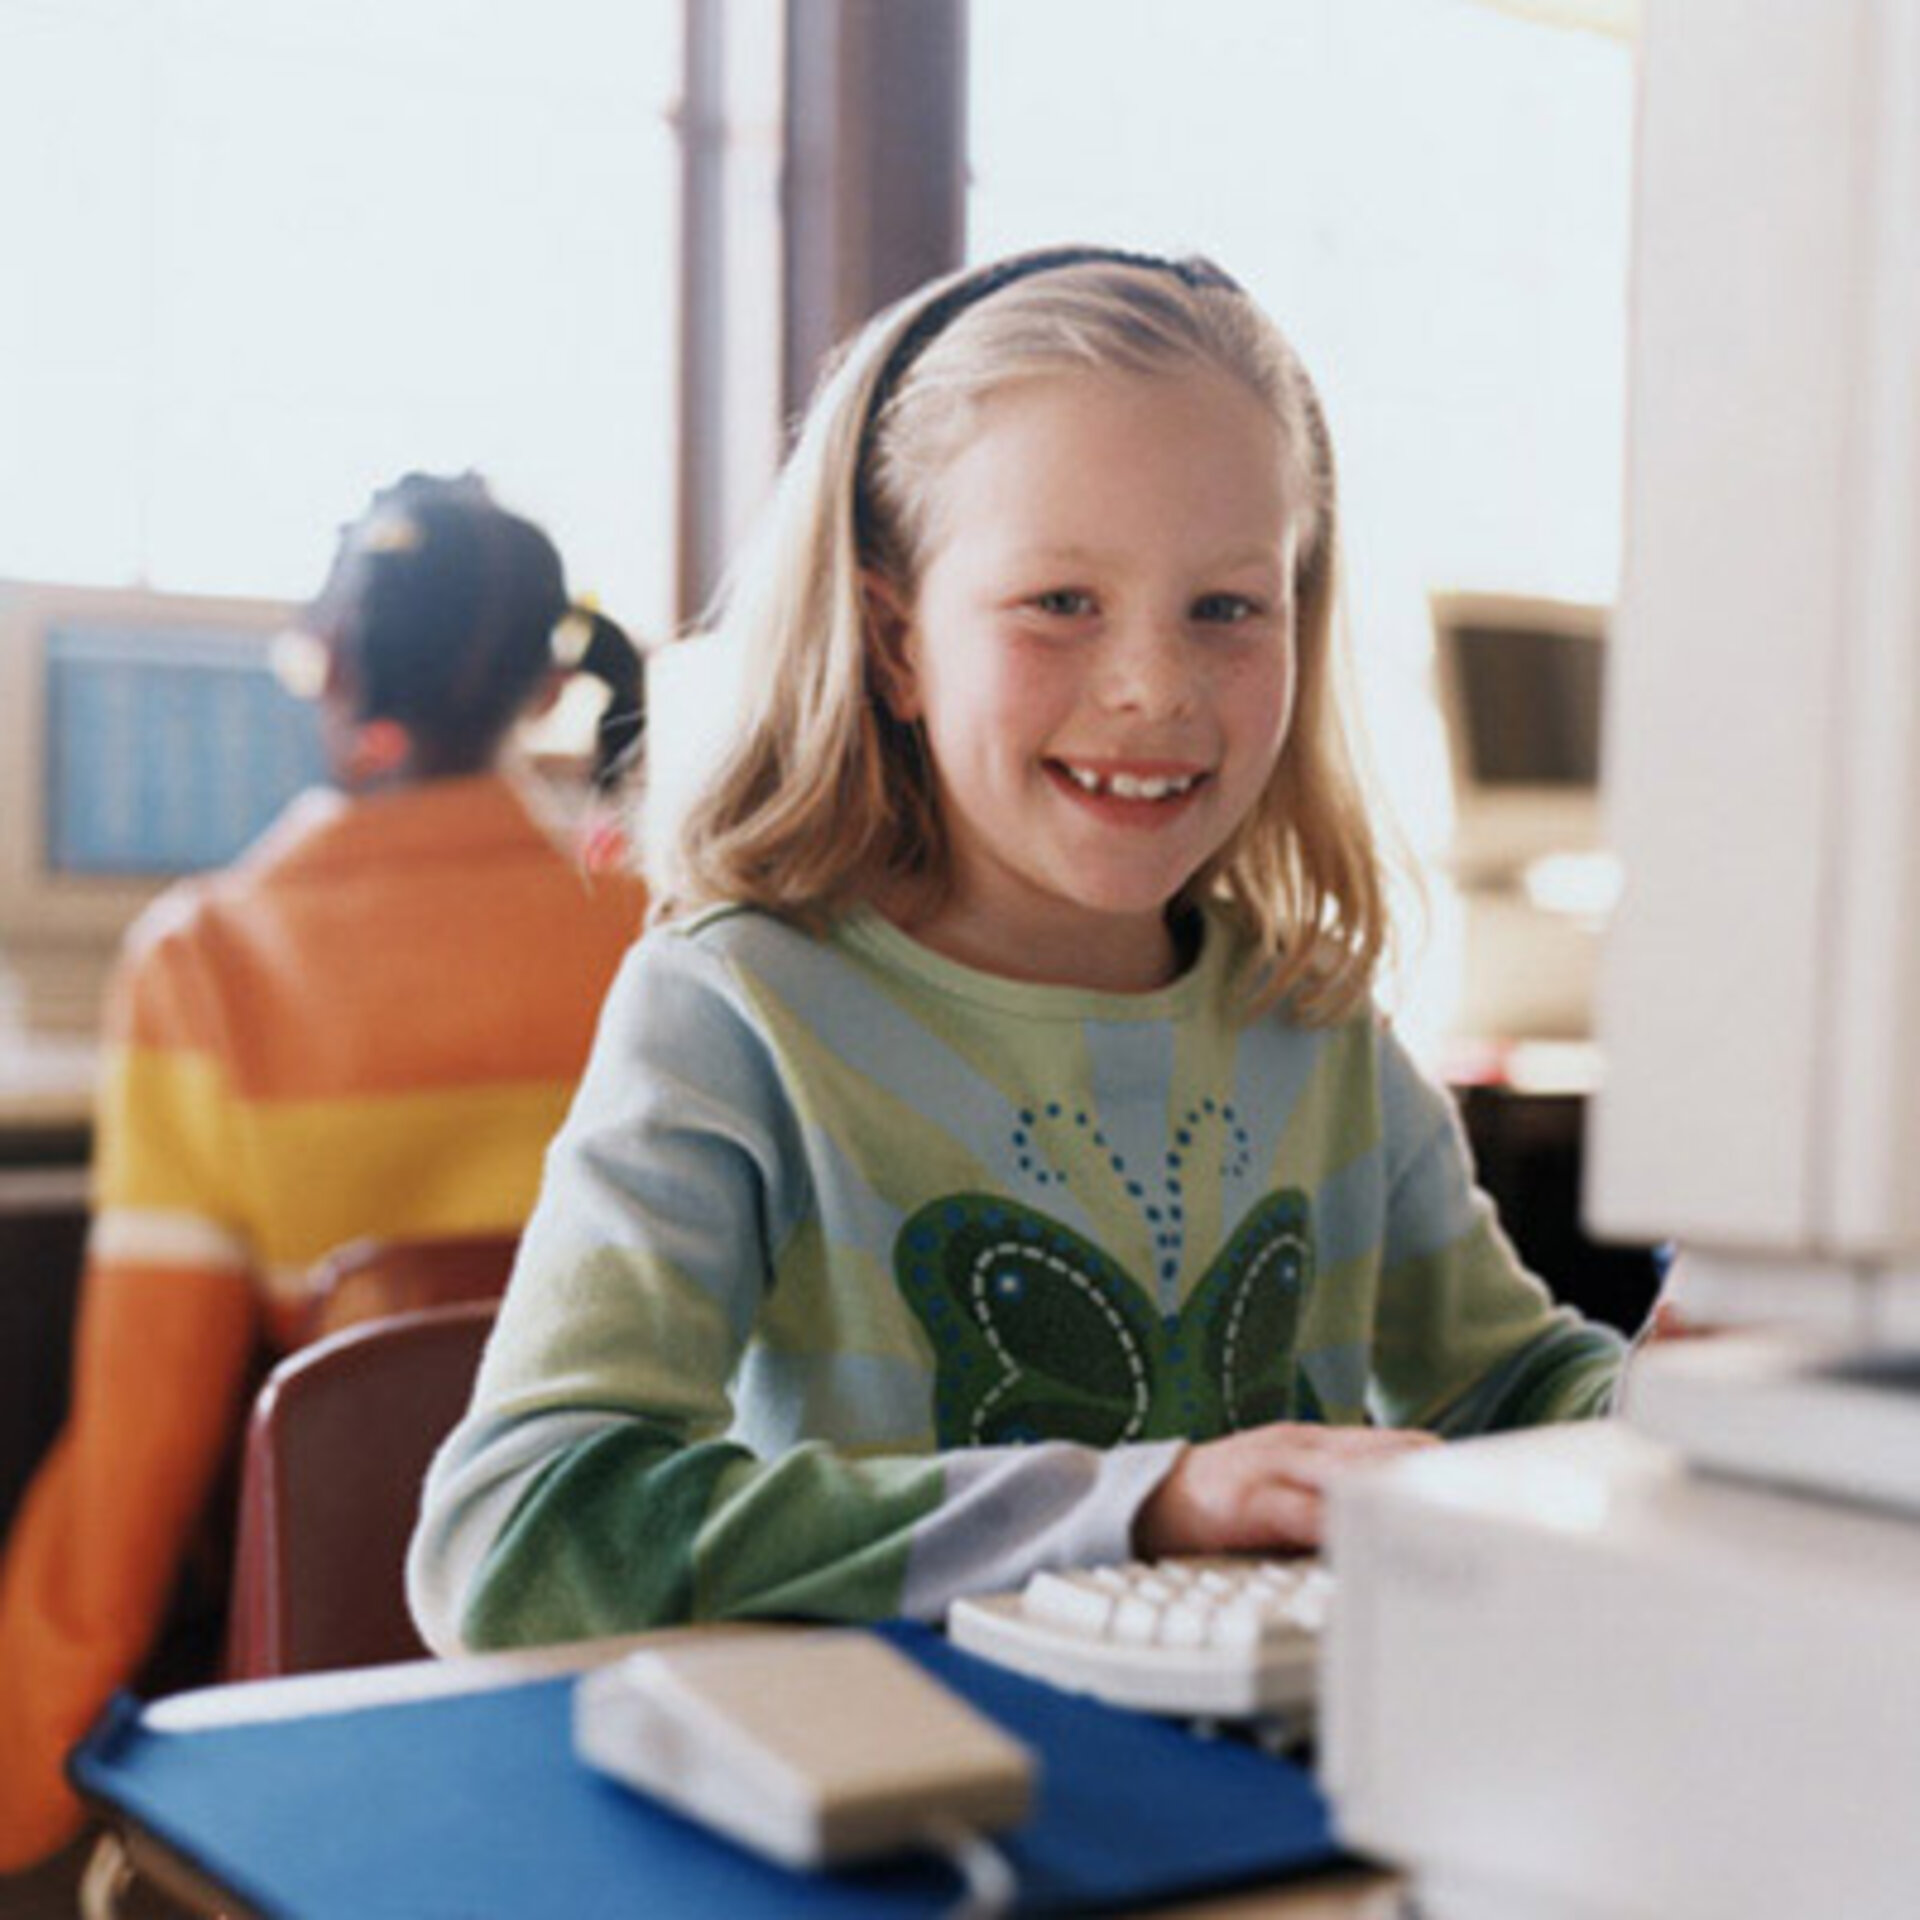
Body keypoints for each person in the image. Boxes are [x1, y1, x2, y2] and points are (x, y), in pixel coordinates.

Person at [409, 248, 1625, 1657]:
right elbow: (519, 1540)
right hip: (888, 1826)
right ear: (897, 642)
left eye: (1228, 607)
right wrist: (1141, 1503)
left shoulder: (1317, 1020)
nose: (1154, 687)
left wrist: (1720, 1397)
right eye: (1061, 601)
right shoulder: (738, 1014)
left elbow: (1518, 1393)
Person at [0, 474, 648, 1873]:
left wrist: (18, 1790)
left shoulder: (206, 962)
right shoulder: (655, 938)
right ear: (549, 692)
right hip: (651, 1674)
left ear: (336, 665)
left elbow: (139, 1464)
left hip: (341, 1725)